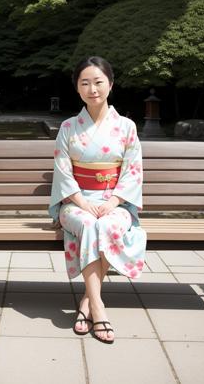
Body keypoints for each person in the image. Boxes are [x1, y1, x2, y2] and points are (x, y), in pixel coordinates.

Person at [49, 56, 147, 344]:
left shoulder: (126, 126)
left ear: (110, 85)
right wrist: (81, 201)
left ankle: (87, 303)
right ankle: (99, 308)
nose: (93, 89)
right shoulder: (68, 127)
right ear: (78, 89)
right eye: (85, 83)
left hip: (115, 201)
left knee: (104, 225)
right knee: (90, 224)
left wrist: (115, 201)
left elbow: (133, 169)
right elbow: (62, 170)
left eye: (98, 82)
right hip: (76, 202)